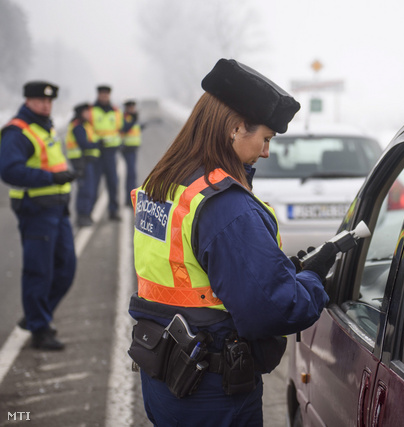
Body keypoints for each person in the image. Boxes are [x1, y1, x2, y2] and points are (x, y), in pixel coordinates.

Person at [127, 58, 336, 426]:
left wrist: (277, 269)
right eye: (266, 139)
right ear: (236, 128)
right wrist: (312, 280)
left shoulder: (165, 182)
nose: (267, 151)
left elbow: (194, 271)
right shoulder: (227, 206)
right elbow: (273, 309)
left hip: (164, 377)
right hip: (212, 392)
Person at [0, 81, 77, 350]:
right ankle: (39, 327)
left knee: (66, 269)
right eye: (39, 100)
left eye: (49, 101)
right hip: (35, 211)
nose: (46, 105)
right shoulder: (17, 131)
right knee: (39, 272)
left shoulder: (45, 126)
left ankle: (35, 316)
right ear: (28, 101)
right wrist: (52, 177)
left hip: (57, 208)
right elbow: (9, 171)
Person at [90, 85, 122, 221]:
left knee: (113, 183)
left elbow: (119, 129)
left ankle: (113, 211)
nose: (104, 97)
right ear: (98, 95)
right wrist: (96, 142)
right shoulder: (91, 111)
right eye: (102, 94)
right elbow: (87, 129)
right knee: (93, 184)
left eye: (106, 94)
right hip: (96, 153)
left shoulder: (115, 111)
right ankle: (89, 213)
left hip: (110, 153)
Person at [65, 102, 101, 227]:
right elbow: (84, 144)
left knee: (89, 189)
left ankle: (86, 215)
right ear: (80, 113)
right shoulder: (78, 126)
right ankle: (82, 217)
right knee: (85, 190)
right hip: (81, 162)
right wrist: (98, 144)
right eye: (86, 112)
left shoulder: (84, 125)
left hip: (86, 161)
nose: (89, 114)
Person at [121, 99, 141, 208]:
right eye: (130, 107)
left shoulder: (134, 117)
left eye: (133, 107)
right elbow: (124, 128)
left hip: (133, 148)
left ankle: (130, 199)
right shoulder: (125, 117)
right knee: (131, 174)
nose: (132, 109)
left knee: (132, 174)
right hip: (126, 149)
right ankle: (129, 199)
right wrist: (133, 120)